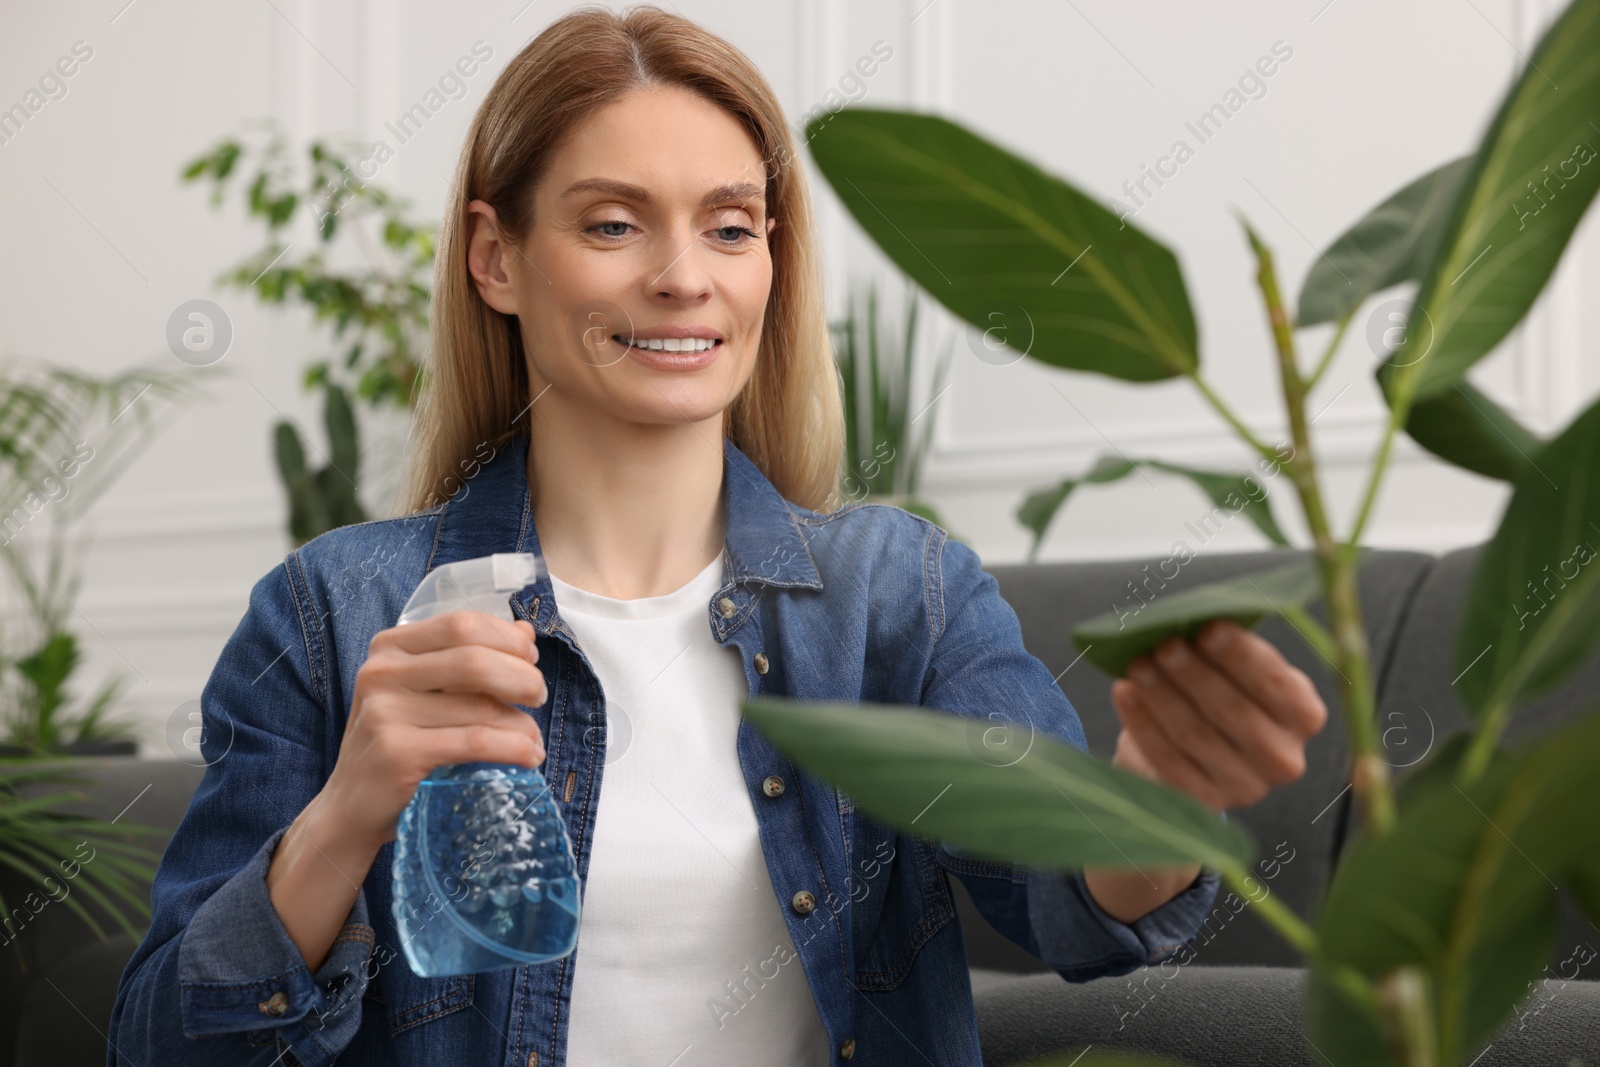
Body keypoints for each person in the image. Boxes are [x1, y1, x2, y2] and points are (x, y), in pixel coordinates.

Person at [108, 6, 1326, 1065]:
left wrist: (1157, 793)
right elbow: (163, 1041)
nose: (685, 276)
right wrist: (347, 813)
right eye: (612, 225)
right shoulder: (337, 612)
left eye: (731, 226)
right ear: (496, 258)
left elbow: (1070, 907)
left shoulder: (900, 595)